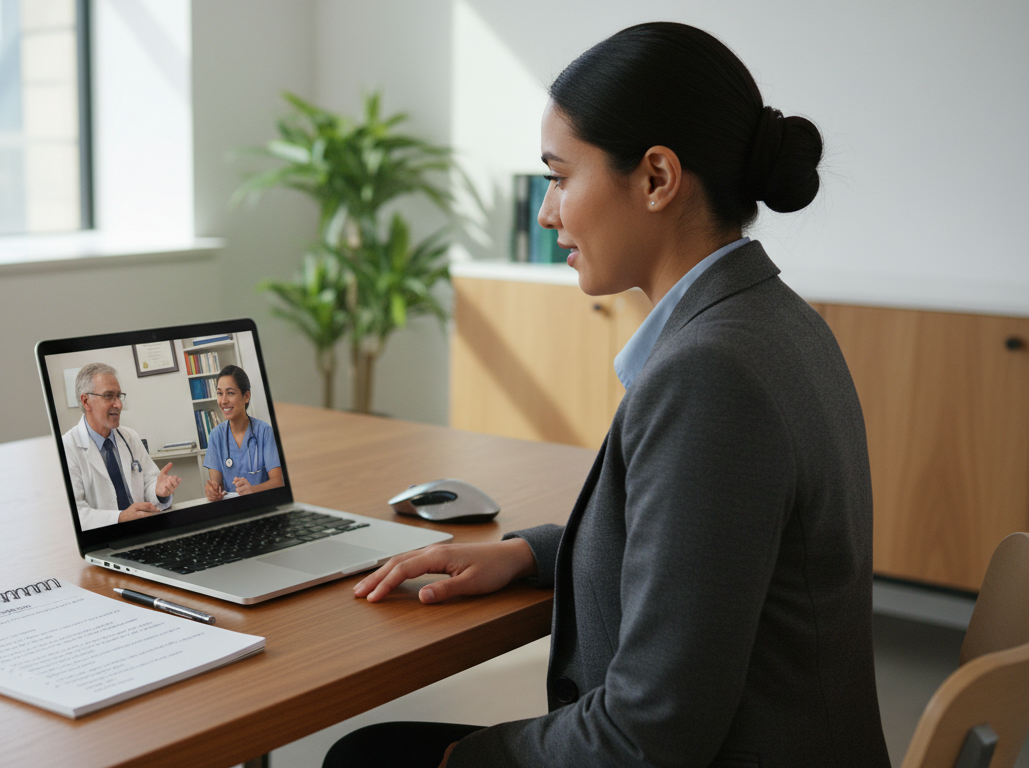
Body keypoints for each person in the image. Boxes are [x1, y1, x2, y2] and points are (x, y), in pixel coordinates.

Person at [327, 22, 890, 768]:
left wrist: (458, 763)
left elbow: (649, 733)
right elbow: (707, 550)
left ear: (657, 178)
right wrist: (528, 555)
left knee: (370, 758)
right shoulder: (776, 320)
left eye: (559, 177)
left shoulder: (710, 374)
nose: (546, 212)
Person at [62, 362, 181, 530]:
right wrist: (120, 518)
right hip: (103, 540)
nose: (118, 404)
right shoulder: (68, 447)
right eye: (109, 396)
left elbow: (149, 483)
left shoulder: (129, 437)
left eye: (119, 396)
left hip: (143, 530)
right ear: (86, 401)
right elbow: (75, 513)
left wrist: (159, 491)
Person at [202, 365, 282, 501]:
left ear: (246, 397)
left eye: (230, 393)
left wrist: (253, 490)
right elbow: (217, 485)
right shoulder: (216, 435)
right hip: (232, 508)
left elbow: (278, 482)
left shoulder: (264, 432)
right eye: (220, 393)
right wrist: (212, 490)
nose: (223, 401)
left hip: (262, 504)